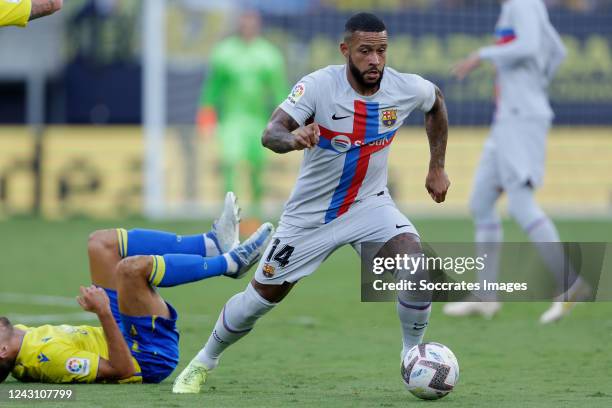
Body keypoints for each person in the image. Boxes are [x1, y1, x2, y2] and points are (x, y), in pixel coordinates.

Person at [173, 12, 450, 393]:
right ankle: (205, 359)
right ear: (345, 50)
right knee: (258, 300)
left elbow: (435, 102)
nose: (375, 60)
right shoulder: (319, 86)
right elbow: (271, 133)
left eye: (381, 51)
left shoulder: (404, 88)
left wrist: (436, 167)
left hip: (371, 207)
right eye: (365, 51)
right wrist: (294, 138)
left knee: (416, 269)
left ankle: (411, 355)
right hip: (309, 219)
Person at [0, 193, 274, 384]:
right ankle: (228, 264)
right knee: (130, 270)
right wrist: (104, 312)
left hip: (118, 332)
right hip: (144, 353)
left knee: (100, 243)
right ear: (2, 351)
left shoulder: (18, 340)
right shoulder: (47, 360)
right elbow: (122, 369)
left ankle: (211, 243)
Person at [445, 0, 589, 323]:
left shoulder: (521, 3)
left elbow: (529, 46)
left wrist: (483, 55)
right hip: (509, 118)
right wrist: (535, 85)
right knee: (481, 202)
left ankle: (570, 282)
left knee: (521, 203)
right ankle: (485, 297)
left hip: (520, 118)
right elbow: (558, 51)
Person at [198, 10, 287, 220]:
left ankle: (255, 214)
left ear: (258, 25)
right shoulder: (224, 52)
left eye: (251, 23)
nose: (248, 27)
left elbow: (279, 90)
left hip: (259, 120)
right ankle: (229, 217)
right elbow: (213, 87)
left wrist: (287, 118)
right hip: (232, 120)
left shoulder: (269, 54)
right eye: (244, 23)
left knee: (257, 168)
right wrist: (206, 112)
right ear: (239, 25)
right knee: (230, 164)